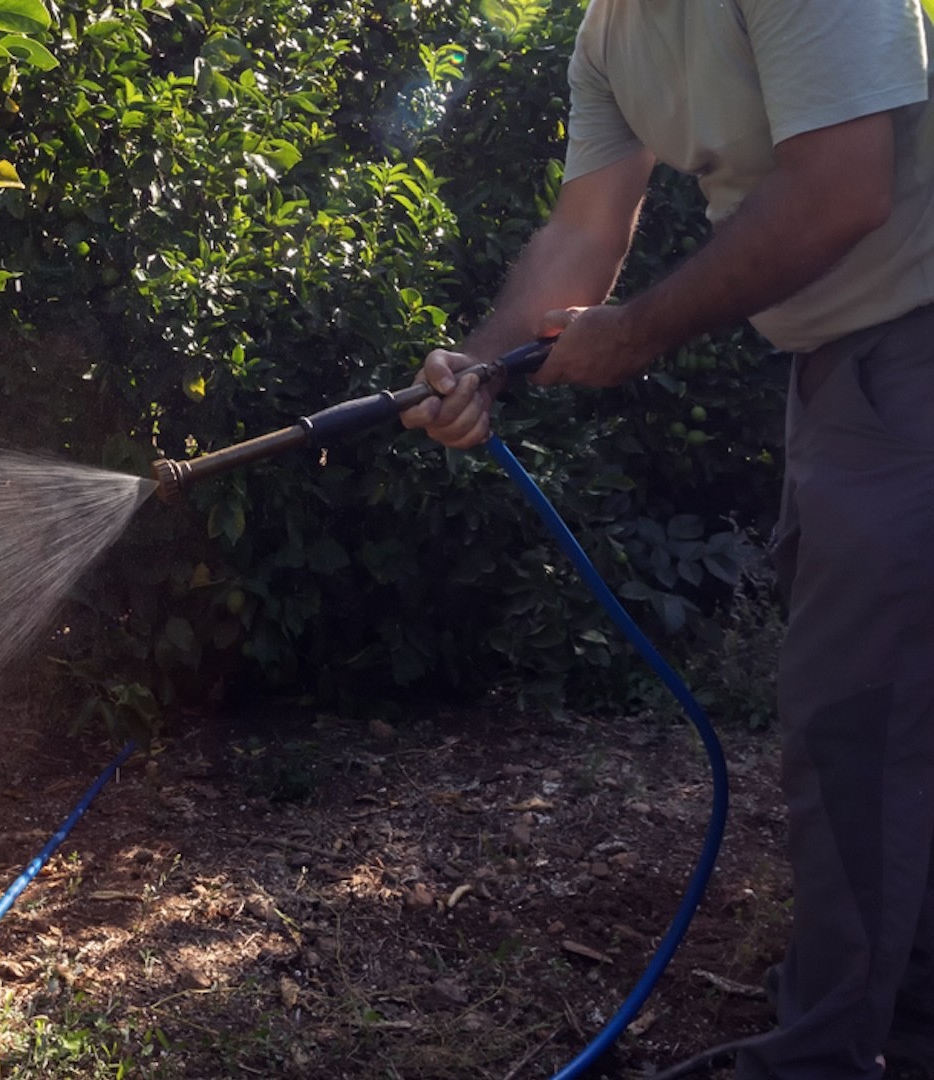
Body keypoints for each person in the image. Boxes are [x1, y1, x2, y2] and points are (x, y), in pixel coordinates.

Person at [397, 2, 934, 1078]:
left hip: (915, 336)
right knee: (881, 710)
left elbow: (843, 186)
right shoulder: (609, 34)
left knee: (858, 722)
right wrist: (483, 370)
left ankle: (827, 1057)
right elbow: (587, 231)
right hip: (841, 371)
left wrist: (635, 332)